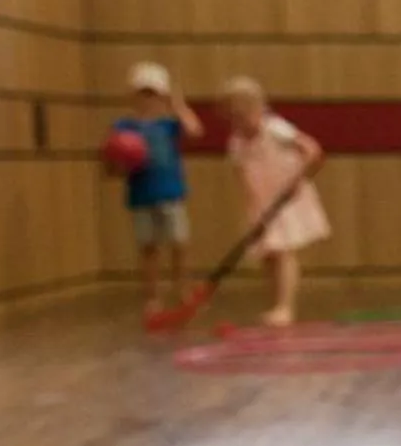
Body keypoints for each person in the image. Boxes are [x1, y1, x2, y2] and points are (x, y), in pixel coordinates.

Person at [221, 76, 329, 327]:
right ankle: (276, 303)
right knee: (269, 253)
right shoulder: (236, 143)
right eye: (233, 118)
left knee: (283, 251)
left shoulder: (276, 129)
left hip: (288, 198)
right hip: (264, 202)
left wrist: (298, 179)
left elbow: (312, 150)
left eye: (244, 115)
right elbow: (241, 176)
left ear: (259, 108)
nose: (239, 122)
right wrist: (254, 206)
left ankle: (285, 307)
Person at [113, 63, 201, 315]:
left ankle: (182, 289)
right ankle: (152, 296)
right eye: (143, 94)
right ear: (133, 96)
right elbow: (113, 162)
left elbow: (195, 131)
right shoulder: (123, 127)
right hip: (142, 194)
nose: (148, 101)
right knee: (148, 247)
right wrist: (120, 163)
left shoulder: (168, 125)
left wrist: (178, 106)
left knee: (179, 243)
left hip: (171, 193)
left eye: (154, 95)